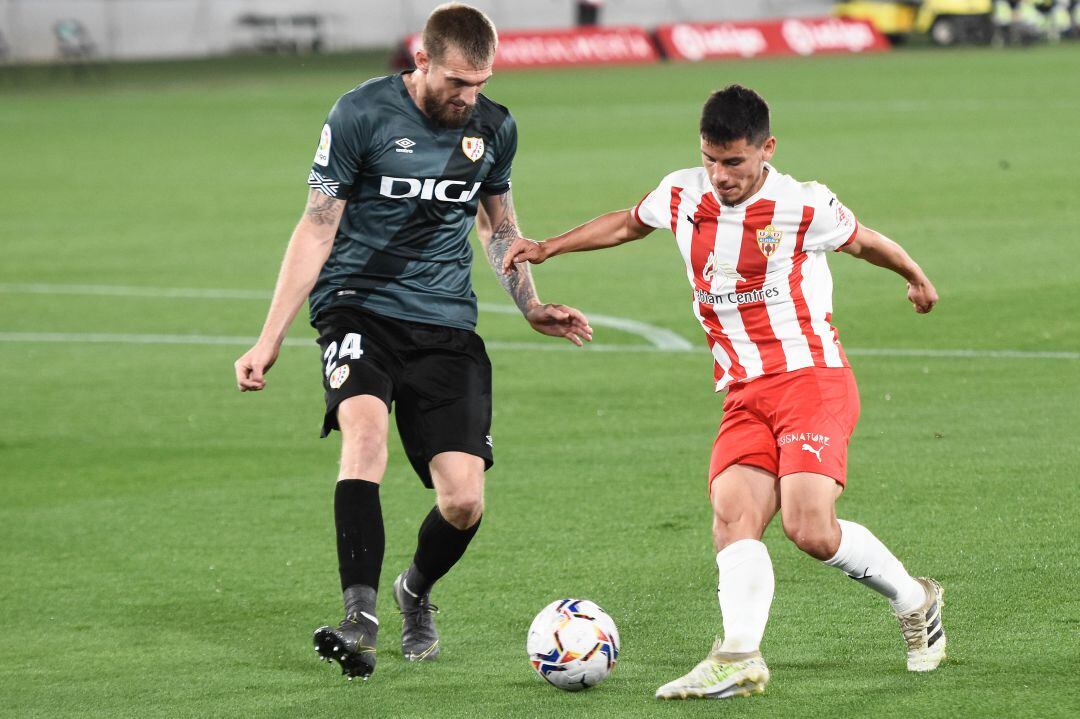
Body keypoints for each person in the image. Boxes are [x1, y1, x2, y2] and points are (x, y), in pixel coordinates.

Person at [502, 84, 944, 700]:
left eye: (733, 162)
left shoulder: (803, 205)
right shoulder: (683, 191)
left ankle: (916, 599)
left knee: (810, 529)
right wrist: (549, 247)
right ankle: (739, 655)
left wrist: (916, 277)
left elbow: (866, 240)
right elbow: (630, 222)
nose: (720, 174)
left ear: (766, 149)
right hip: (743, 391)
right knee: (733, 518)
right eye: (711, 158)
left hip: (811, 378)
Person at [233, 2, 592, 681]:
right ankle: (358, 620)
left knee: (462, 499)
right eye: (458, 82)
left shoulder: (494, 127)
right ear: (421, 59)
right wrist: (269, 337)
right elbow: (316, 227)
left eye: (481, 82)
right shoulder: (360, 114)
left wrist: (531, 304)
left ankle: (413, 591)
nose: (469, 96)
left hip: (445, 321)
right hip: (356, 308)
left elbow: (497, 226)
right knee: (362, 434)